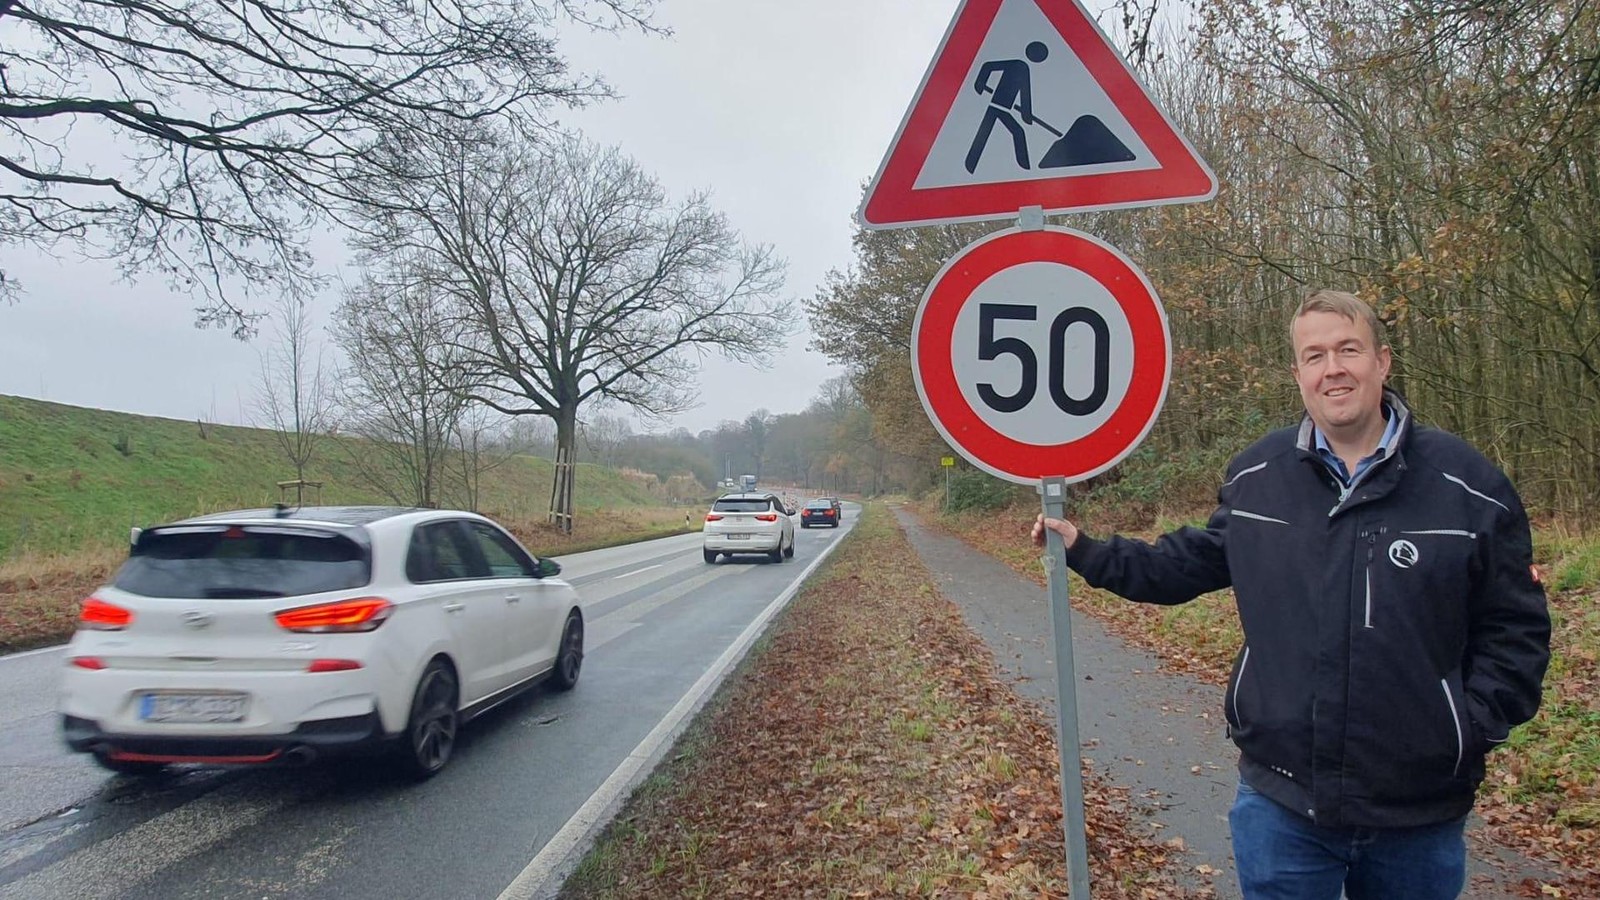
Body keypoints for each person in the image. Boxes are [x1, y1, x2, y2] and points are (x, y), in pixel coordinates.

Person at [1031, 289, 1550, 899]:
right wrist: (1088, 551)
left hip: (1419, 813)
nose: (1333, 368)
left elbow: (1515, 626)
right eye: (1315, 355)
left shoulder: (1469, 485)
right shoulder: (1259, 475)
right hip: (1281, 804)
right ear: (1298, 373)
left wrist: (1466, 727)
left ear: (1382, 362)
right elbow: (1189, 562)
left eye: (1348, 350)